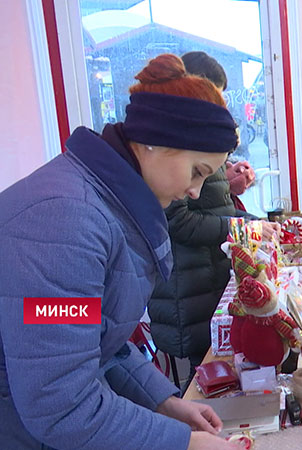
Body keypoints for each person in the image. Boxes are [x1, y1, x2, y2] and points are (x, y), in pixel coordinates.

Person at [0, 54, 240, 449]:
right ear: (153, 141)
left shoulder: (104, 206)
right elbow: (62, 407)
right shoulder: (64, 223)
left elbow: (97, 342)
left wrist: (164, 402)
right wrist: (185, 443)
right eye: (196, 171)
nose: (196, 192)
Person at [147, 52, 276, 390]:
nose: (218, 105)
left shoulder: (196, 143)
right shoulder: (171, 150)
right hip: (187, 292)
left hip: (206, 281)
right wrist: (245, 227)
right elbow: (182, 223)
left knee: (219, 378)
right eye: (213, 96)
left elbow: (214, 209)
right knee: (203, 382)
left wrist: (244, 209)